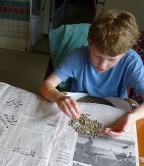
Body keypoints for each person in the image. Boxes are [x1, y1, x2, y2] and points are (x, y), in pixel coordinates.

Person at [39, 9, 144, 137]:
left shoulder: (131, 61)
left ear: (126, 52)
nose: (102, 65)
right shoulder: (77, 57)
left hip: (116, 111)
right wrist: (59, 97)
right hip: (78, 110)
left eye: (112, 59)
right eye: (97, 55)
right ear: (89, 43)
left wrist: (133, 117)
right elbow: (46, 85)